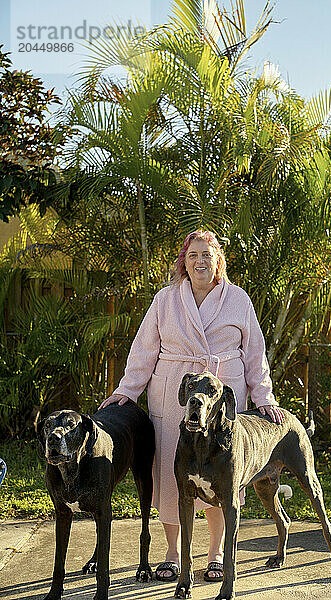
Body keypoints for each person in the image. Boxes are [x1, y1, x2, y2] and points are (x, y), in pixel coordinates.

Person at [100, 230, 285, 582]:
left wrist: (264, 398)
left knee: (223, 478)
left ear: (218, 261)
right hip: (175, 397)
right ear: (184, 262)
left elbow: (255, 355)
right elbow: (143, 350)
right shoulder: (165, 299)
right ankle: (173, 552)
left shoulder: (238, 299)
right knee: (173, 479)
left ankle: (216, 553)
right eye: (193, 255)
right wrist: (127, 390)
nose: (200, 261)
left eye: (207, 254)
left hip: (221, 400)